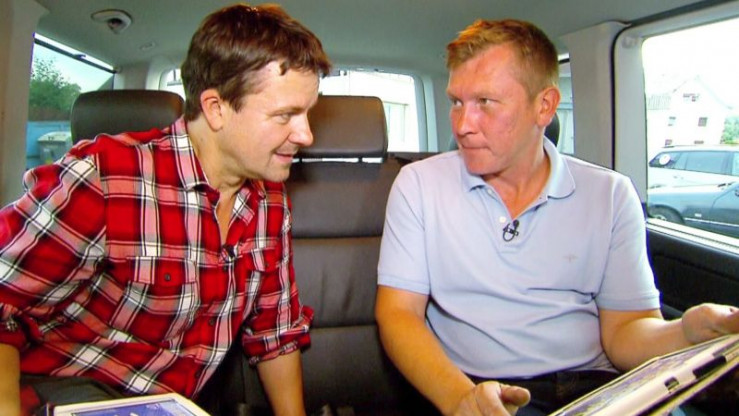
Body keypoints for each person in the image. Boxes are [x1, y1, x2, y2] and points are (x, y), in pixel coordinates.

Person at [375, 18, 739, 416]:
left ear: (544, 106)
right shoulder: (419, 185)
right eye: (457, 102)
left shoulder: (610, 195)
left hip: (598, 388)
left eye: (485, 102)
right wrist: (461, 399)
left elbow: (625, 331)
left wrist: (685, 332)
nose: (463, 125)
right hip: (481, 388)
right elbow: (399, 314)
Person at [0, 4, 330, 416]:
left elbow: (274, 333)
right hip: (70, 392)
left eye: (308, 113)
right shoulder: (103, 178)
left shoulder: (271, 204)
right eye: (285, 115)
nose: (306, 135)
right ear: (216, 108)